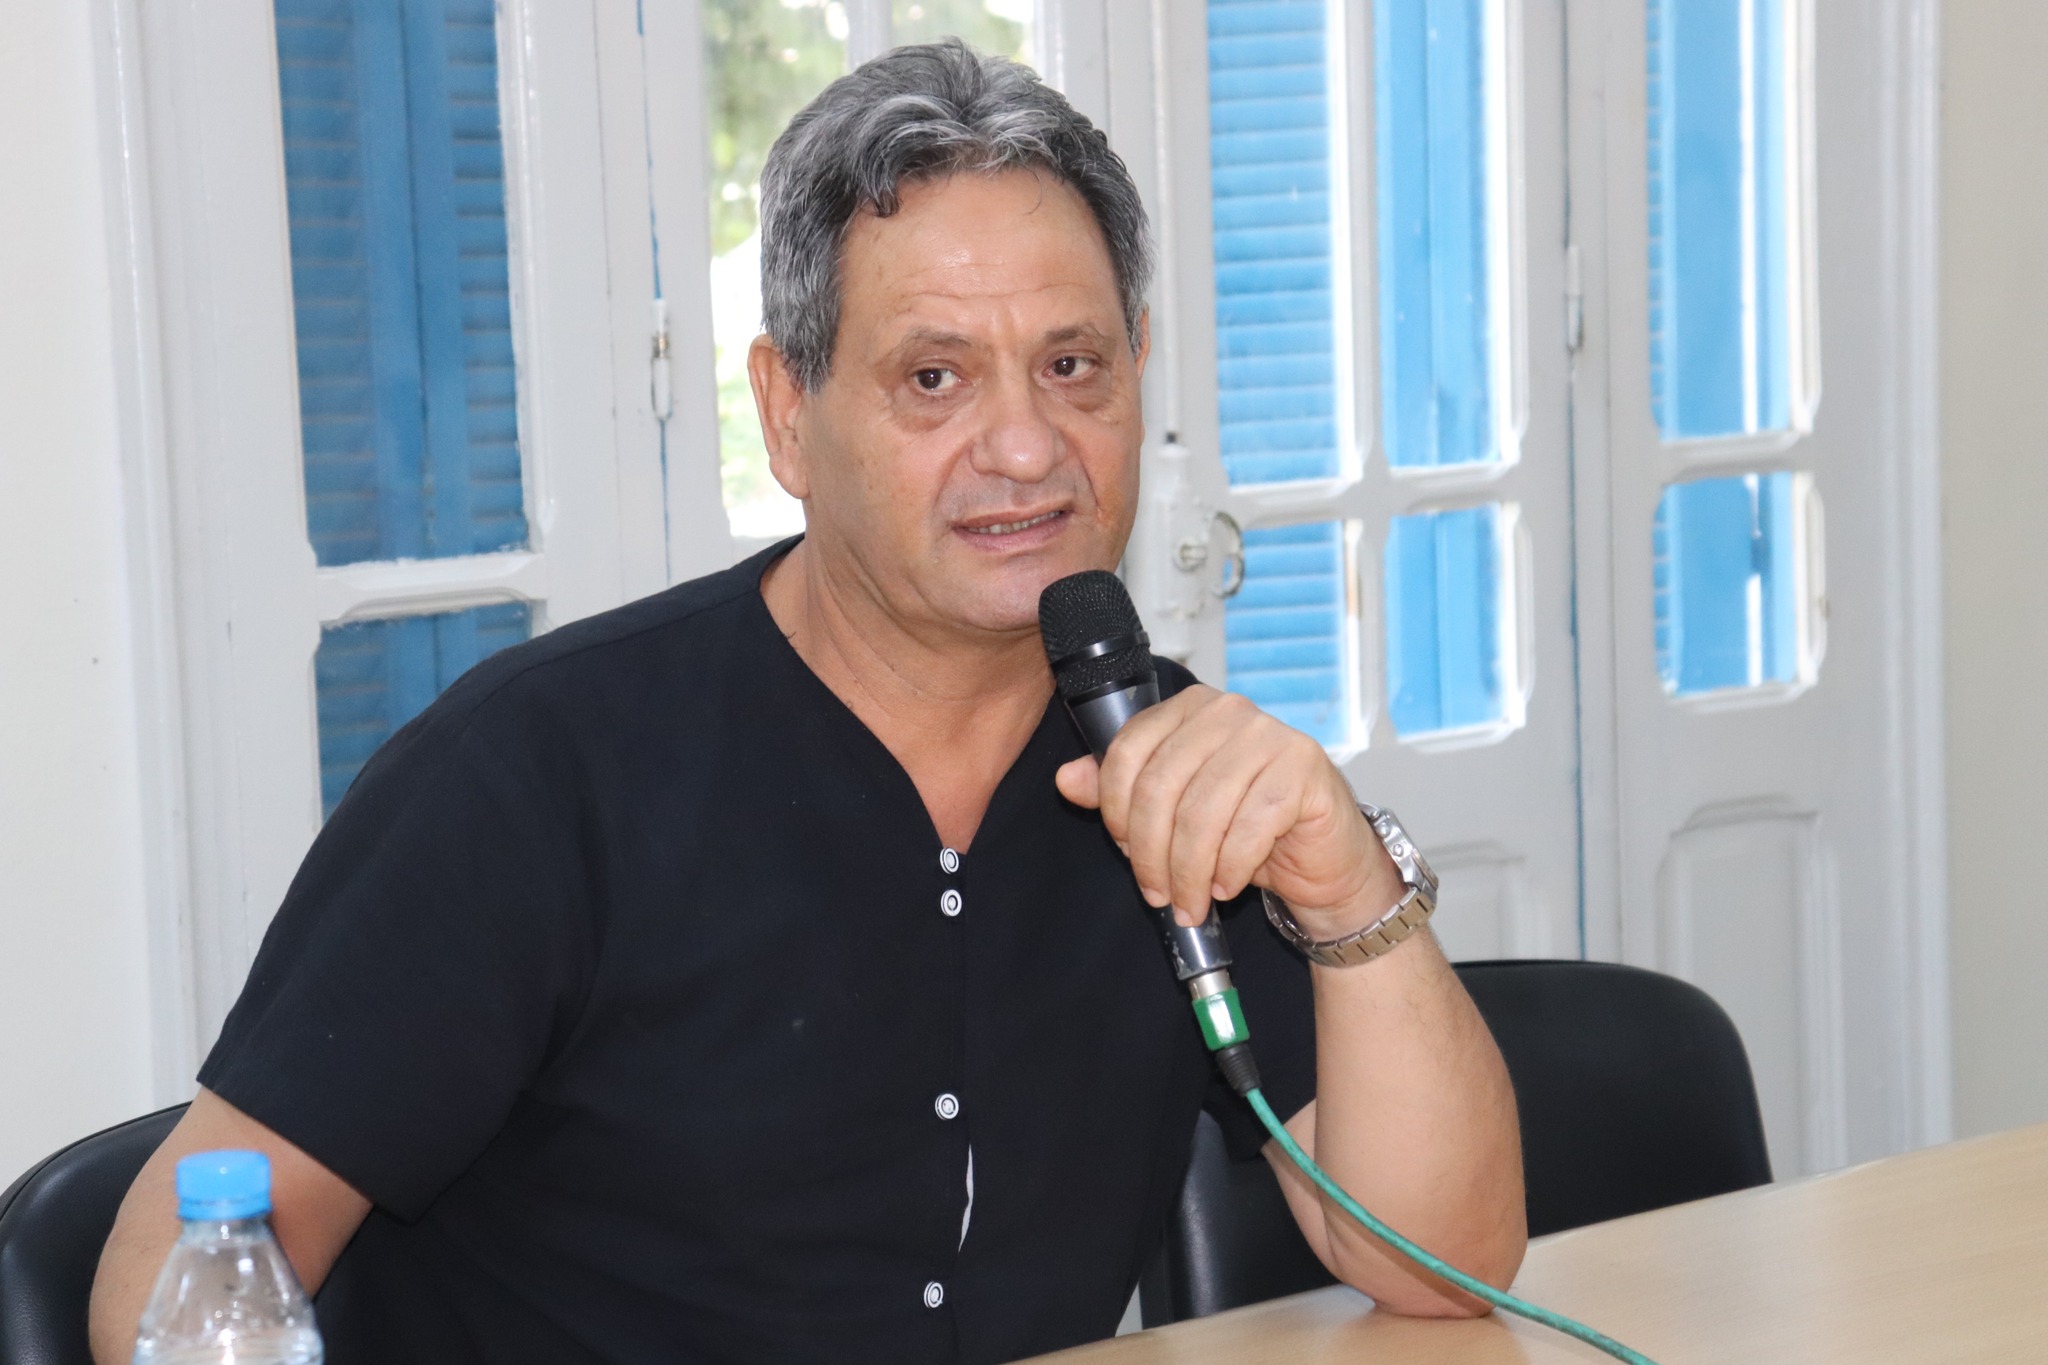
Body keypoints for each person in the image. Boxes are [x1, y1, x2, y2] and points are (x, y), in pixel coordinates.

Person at [90, 40, 1523, 1364]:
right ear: (788, 415)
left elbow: (1447, 1265)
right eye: (934, 378)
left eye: (1072, 366)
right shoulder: (536, 774)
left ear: (1139, 371)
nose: (1028, 446)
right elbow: (167, 1279)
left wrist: (1350, 886)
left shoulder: (1176, 771)